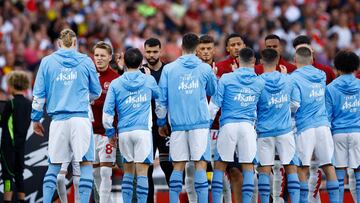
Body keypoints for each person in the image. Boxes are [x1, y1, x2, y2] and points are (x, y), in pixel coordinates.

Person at [31, 28, 102, 203]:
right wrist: (84, 97)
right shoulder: (86, 61)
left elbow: (39, 95)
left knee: (53, 166)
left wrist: (35, 118)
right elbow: (97, 91)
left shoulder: (47, 62)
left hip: (58, 121)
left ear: (59, 43)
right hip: (80, 119)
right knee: (85, 165)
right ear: (76, 43)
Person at [156, 33, 217, 203]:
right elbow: (213, 91)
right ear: (197, 49)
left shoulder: (169, 69)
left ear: (182, 47)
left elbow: (161, 100)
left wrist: (161, 122)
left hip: (178, 125)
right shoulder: (205, 69)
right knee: (200, 164)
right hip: (200, 124)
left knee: (178, 165)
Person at [103, 48, 160, 203]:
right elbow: (159, 100)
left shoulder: (115, 83)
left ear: (125, 63)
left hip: (124, 132)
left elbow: (107, 113)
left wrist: (110, 132)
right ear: (141, 62)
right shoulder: (148, 80)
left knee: (128, 173)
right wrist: (160, 122)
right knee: (142, 173)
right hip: (143, 131)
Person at [209, 47, 265, 203]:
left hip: (228, 126)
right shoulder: (260, 81)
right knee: (248, 168)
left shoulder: (226, 78)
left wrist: (206, 125)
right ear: (254, 61)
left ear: (238, 60)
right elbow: (262, 108)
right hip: (248, 127)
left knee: (220, 167)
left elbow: (214, 105)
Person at [290, 46, 339, 203]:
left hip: (305, 127)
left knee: (303, 168)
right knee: (328, 166)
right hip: (323, 126)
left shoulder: (294, 78)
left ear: (295, 60)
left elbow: (295, 104)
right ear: (311, 59)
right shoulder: (321, 74)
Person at [190, 34, 231, 203]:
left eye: (208, 49)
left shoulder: (223, 70)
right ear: (196, 51)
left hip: (218, 127)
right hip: (196, 127)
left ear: (214, 50)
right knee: (192, 171)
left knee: (220, 173)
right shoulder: (190, 71)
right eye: (202, 49)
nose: (206, 52)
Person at [256, 48, 300, 203]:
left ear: (261, 61)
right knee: (290, 167)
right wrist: (282, 108)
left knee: (264, 169)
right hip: (285, 131)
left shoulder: (257, 82)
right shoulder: (288, 80)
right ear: (277, 61)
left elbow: (253, 107)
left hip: (264, 132)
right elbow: (295, 104)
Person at [140, 37, 173, 203]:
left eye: (154, 52)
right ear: (144, 52)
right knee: (147, 170)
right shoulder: (138, 73)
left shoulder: (170, 71)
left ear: (161, 51)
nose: (151, 55)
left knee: (169, 168)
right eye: (148, 52)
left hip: (167, 127)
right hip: (147, 128)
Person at [214, 33, 246, 203]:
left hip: (249, 128)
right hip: (225, 128)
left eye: (238, 44)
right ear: (227, 48)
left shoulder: (252, 67)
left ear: (244, 45)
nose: (235, 47)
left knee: (250, 175)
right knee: (232, 172)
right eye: (232, 45)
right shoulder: (219, 68)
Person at [325, 50, 360, 203]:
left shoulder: (330, 88)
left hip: (337, 134)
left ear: (337, 68)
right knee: (358, 175)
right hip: (358, 133)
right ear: (356, 68)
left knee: (339, 174)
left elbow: (327, 116)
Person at [89, 41, 119, 202]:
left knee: (106, 172)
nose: (99, 59)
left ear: (109, 57)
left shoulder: (115, 78)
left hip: (107, 133)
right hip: (90, 132)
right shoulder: (88, 75)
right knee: (94, 172)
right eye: (96, 55)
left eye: (102, 55)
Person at [0, 71, 32, 203]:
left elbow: (3, 122)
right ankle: (22, 200)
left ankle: (7, 201)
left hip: (8, 145)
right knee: (19, 175)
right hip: (21, 145)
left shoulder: (11, 104)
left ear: (12, 85)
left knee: (7, 176)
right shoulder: (29, 104)